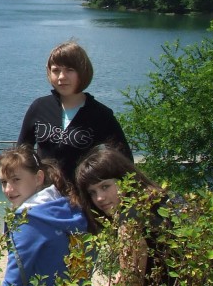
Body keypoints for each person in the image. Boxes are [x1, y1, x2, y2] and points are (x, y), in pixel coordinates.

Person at [18, 40, 132, 184]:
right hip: (45, 198)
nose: (61, 77)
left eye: (69, 70)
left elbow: (125, 161)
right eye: (56, 70)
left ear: (83, 71)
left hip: (83, 199)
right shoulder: (39, 107)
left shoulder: (100, 114)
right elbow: (21, 153)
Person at [0, 145, 89, 286]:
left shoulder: (29, 221)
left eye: (16, 180)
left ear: (38, 178)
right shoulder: (66, 208)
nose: (8, 190)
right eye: (3, 182)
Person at [74, 145, 175, 286]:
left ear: (124, 179)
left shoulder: (128, 221)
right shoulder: (158, 200)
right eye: (92, 193)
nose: (99, 198)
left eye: (105, 187)